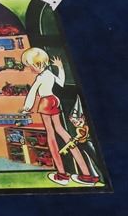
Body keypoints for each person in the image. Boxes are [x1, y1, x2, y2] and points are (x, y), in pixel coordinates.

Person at [21, 48, 98, 186]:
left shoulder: (40, 77)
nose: (29, 68)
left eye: (29, 65)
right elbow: (61, 83)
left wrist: (26, 108)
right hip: (54, 100)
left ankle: (61, 174)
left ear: (36, 65)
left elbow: (32, 93)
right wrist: (60, 68)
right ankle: (87, 175)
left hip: (46, 102)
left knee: (51, 136)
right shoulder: (49, 74)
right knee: (62, 131)